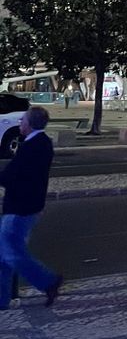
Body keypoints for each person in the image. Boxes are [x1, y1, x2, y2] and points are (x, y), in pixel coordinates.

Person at [0, 106, 62, 309]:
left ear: (30, 123)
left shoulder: (32, 146)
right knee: (5, 255)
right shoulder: (41, 142)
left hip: (19, 209)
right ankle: (2, 299)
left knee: (12, 254)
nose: (20, 123)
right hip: (29, 206)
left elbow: (12, 177)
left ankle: (48, 281)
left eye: (22, 120)